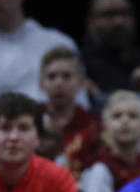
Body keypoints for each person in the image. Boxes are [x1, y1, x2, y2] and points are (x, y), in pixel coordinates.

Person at [35, 46, 102, 183]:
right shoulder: (30, 120)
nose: (59, 83)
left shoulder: (94, 124)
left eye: (66, 76)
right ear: (41, 83)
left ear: (81, 83)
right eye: (52, 76)